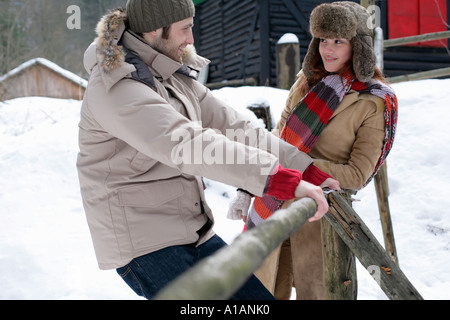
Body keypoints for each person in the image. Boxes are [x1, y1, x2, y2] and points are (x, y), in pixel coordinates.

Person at [76, 0, 338, 300]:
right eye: (185, 29)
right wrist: (275, 178)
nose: (191, 39)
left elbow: (233, 126)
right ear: (153, 30)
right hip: (146, 243)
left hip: (192, 230)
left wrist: (302, 168)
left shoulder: (169, 72)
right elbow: (187, 144)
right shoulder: (116, 87)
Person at [229, 1, 398, 299]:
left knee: (319, 293)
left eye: (338, 41)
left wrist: (298, 169)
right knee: (261, 293)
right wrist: (248, 185)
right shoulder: (305, 84)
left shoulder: (374, 101)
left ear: (358, 46)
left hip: (321, 219)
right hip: (273, 206)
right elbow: (275, 140)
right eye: (322, 39)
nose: (327, 49)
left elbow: (357, 174)